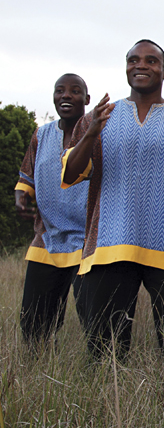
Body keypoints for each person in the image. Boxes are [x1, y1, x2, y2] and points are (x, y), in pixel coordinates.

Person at [62, 39, 164, 358]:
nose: (141, 65)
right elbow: (71, 173)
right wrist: (91, 132)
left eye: (150, 60)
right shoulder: (99, 117)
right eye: (133, 60)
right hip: (109, 246)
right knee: (104, 354)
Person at [15, 73, 90, 348]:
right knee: (34, 323)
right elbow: (26, 178)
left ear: (87, 99)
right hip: (47, 237)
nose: (66, 95)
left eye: (74, 91)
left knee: (96, 320)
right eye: (60, 90)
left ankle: (101, 368)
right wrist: (21, 197)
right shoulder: (42, 134)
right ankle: (41, 364)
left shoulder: (96, 134)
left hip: (89, 241)